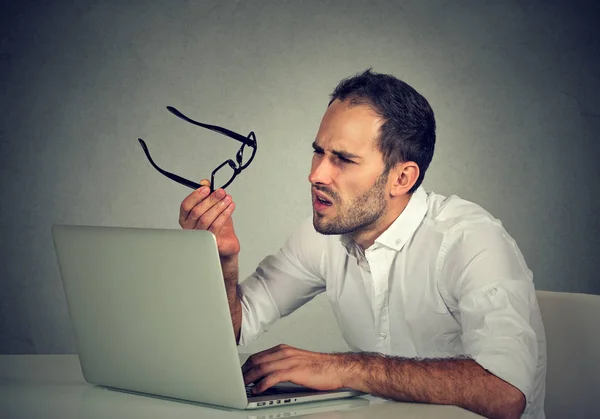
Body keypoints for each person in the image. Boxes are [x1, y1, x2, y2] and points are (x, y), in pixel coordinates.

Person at [178, 69, 546, 419]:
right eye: (319, 152)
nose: (316, 174)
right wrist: (223, 261)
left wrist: (343, 368)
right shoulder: (322, 233)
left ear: (401, 177)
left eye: (343, 159)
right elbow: (235, 328)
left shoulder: (471, 240)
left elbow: (505, 393)